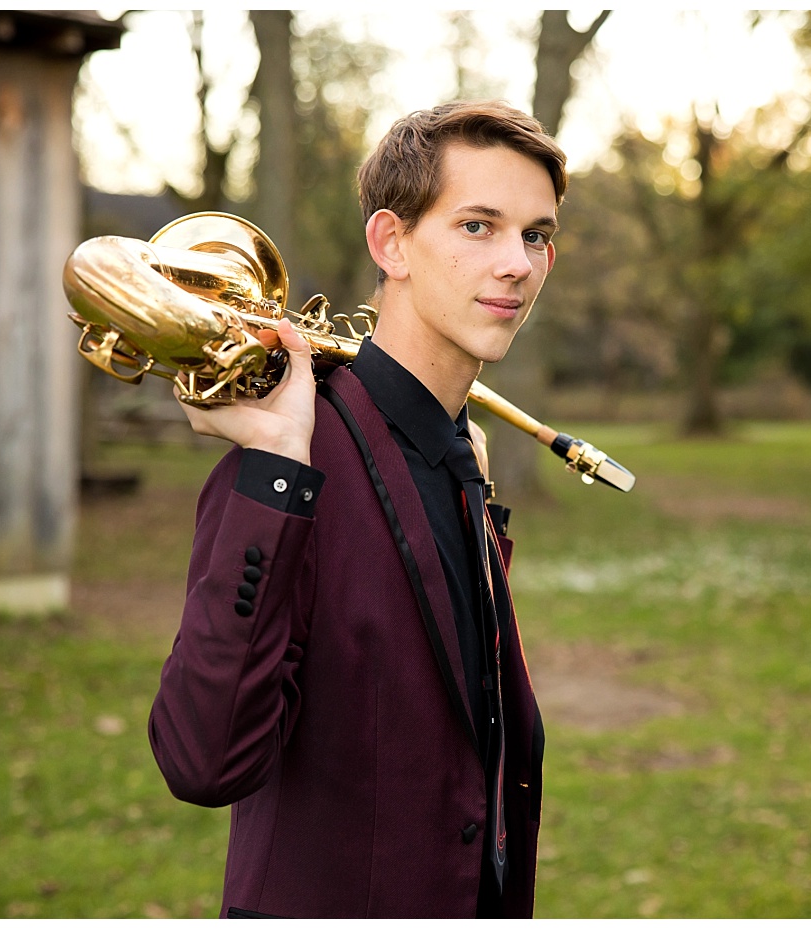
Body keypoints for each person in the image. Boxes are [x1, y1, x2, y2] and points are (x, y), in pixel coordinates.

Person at [146, 100, 565, 917]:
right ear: (390, 242)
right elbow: (202, 761)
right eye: (478, 226)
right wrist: (272, 474)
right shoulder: (292, 455)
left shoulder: (462, 451)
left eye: (537, 234)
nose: (518, 262)